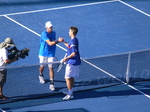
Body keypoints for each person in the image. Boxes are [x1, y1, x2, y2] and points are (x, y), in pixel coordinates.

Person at [38, 21, 64, 91]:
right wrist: (58, 41)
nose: (51, 28)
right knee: (42, 66)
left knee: (51, 68)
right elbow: (50, 43)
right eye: (49, 27)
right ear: (46, 27)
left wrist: (59, 41)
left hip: (51, 53)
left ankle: (52, 84)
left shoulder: (54, 33)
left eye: (51, 27)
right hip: (43, 53)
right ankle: (41, 75)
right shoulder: (44, 34)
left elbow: (53, 42)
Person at [62, 26, 81, 100]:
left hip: (71, 62)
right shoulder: (74, 40)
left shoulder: (73, 41)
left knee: (67, 78)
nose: (68, 32)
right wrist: (64, 42)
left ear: (72, 32)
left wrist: (66, 58)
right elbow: (69, 46)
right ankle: (71, 91)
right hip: (74, 62)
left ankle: (69, 94)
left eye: (69, 31)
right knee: (71, 77)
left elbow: (74, 53)